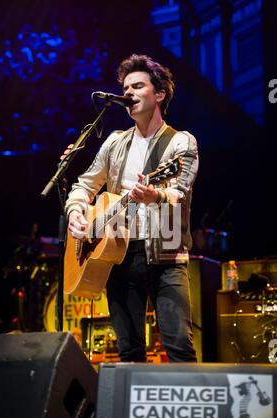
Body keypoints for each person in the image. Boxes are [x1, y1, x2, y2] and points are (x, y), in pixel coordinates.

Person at [63, 54, 199, 362]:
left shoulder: (181, 143)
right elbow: (84, 185)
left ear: (159, 93)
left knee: (178, 346)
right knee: (128, 349)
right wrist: (76, 214)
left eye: (138, 86)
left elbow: (179, 191)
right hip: (118, 256)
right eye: (126, 87)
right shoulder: (114, 142)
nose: (129, 93)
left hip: (166, 258)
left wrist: (156, 196)